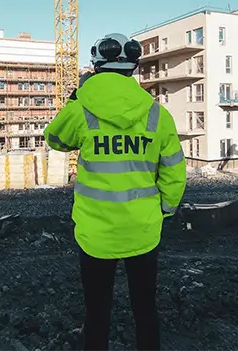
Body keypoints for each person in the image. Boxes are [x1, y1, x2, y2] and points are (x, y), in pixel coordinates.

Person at [43, 33, 187, 350]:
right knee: (146, 310)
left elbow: (54, 139)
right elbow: (175, 169)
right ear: (132, 68)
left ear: (96, 67)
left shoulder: (82, 109)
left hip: (96, 232)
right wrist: (166, 209)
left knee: (97, 314)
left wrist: (72, 99)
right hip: (144, 228)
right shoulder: (156, 115)